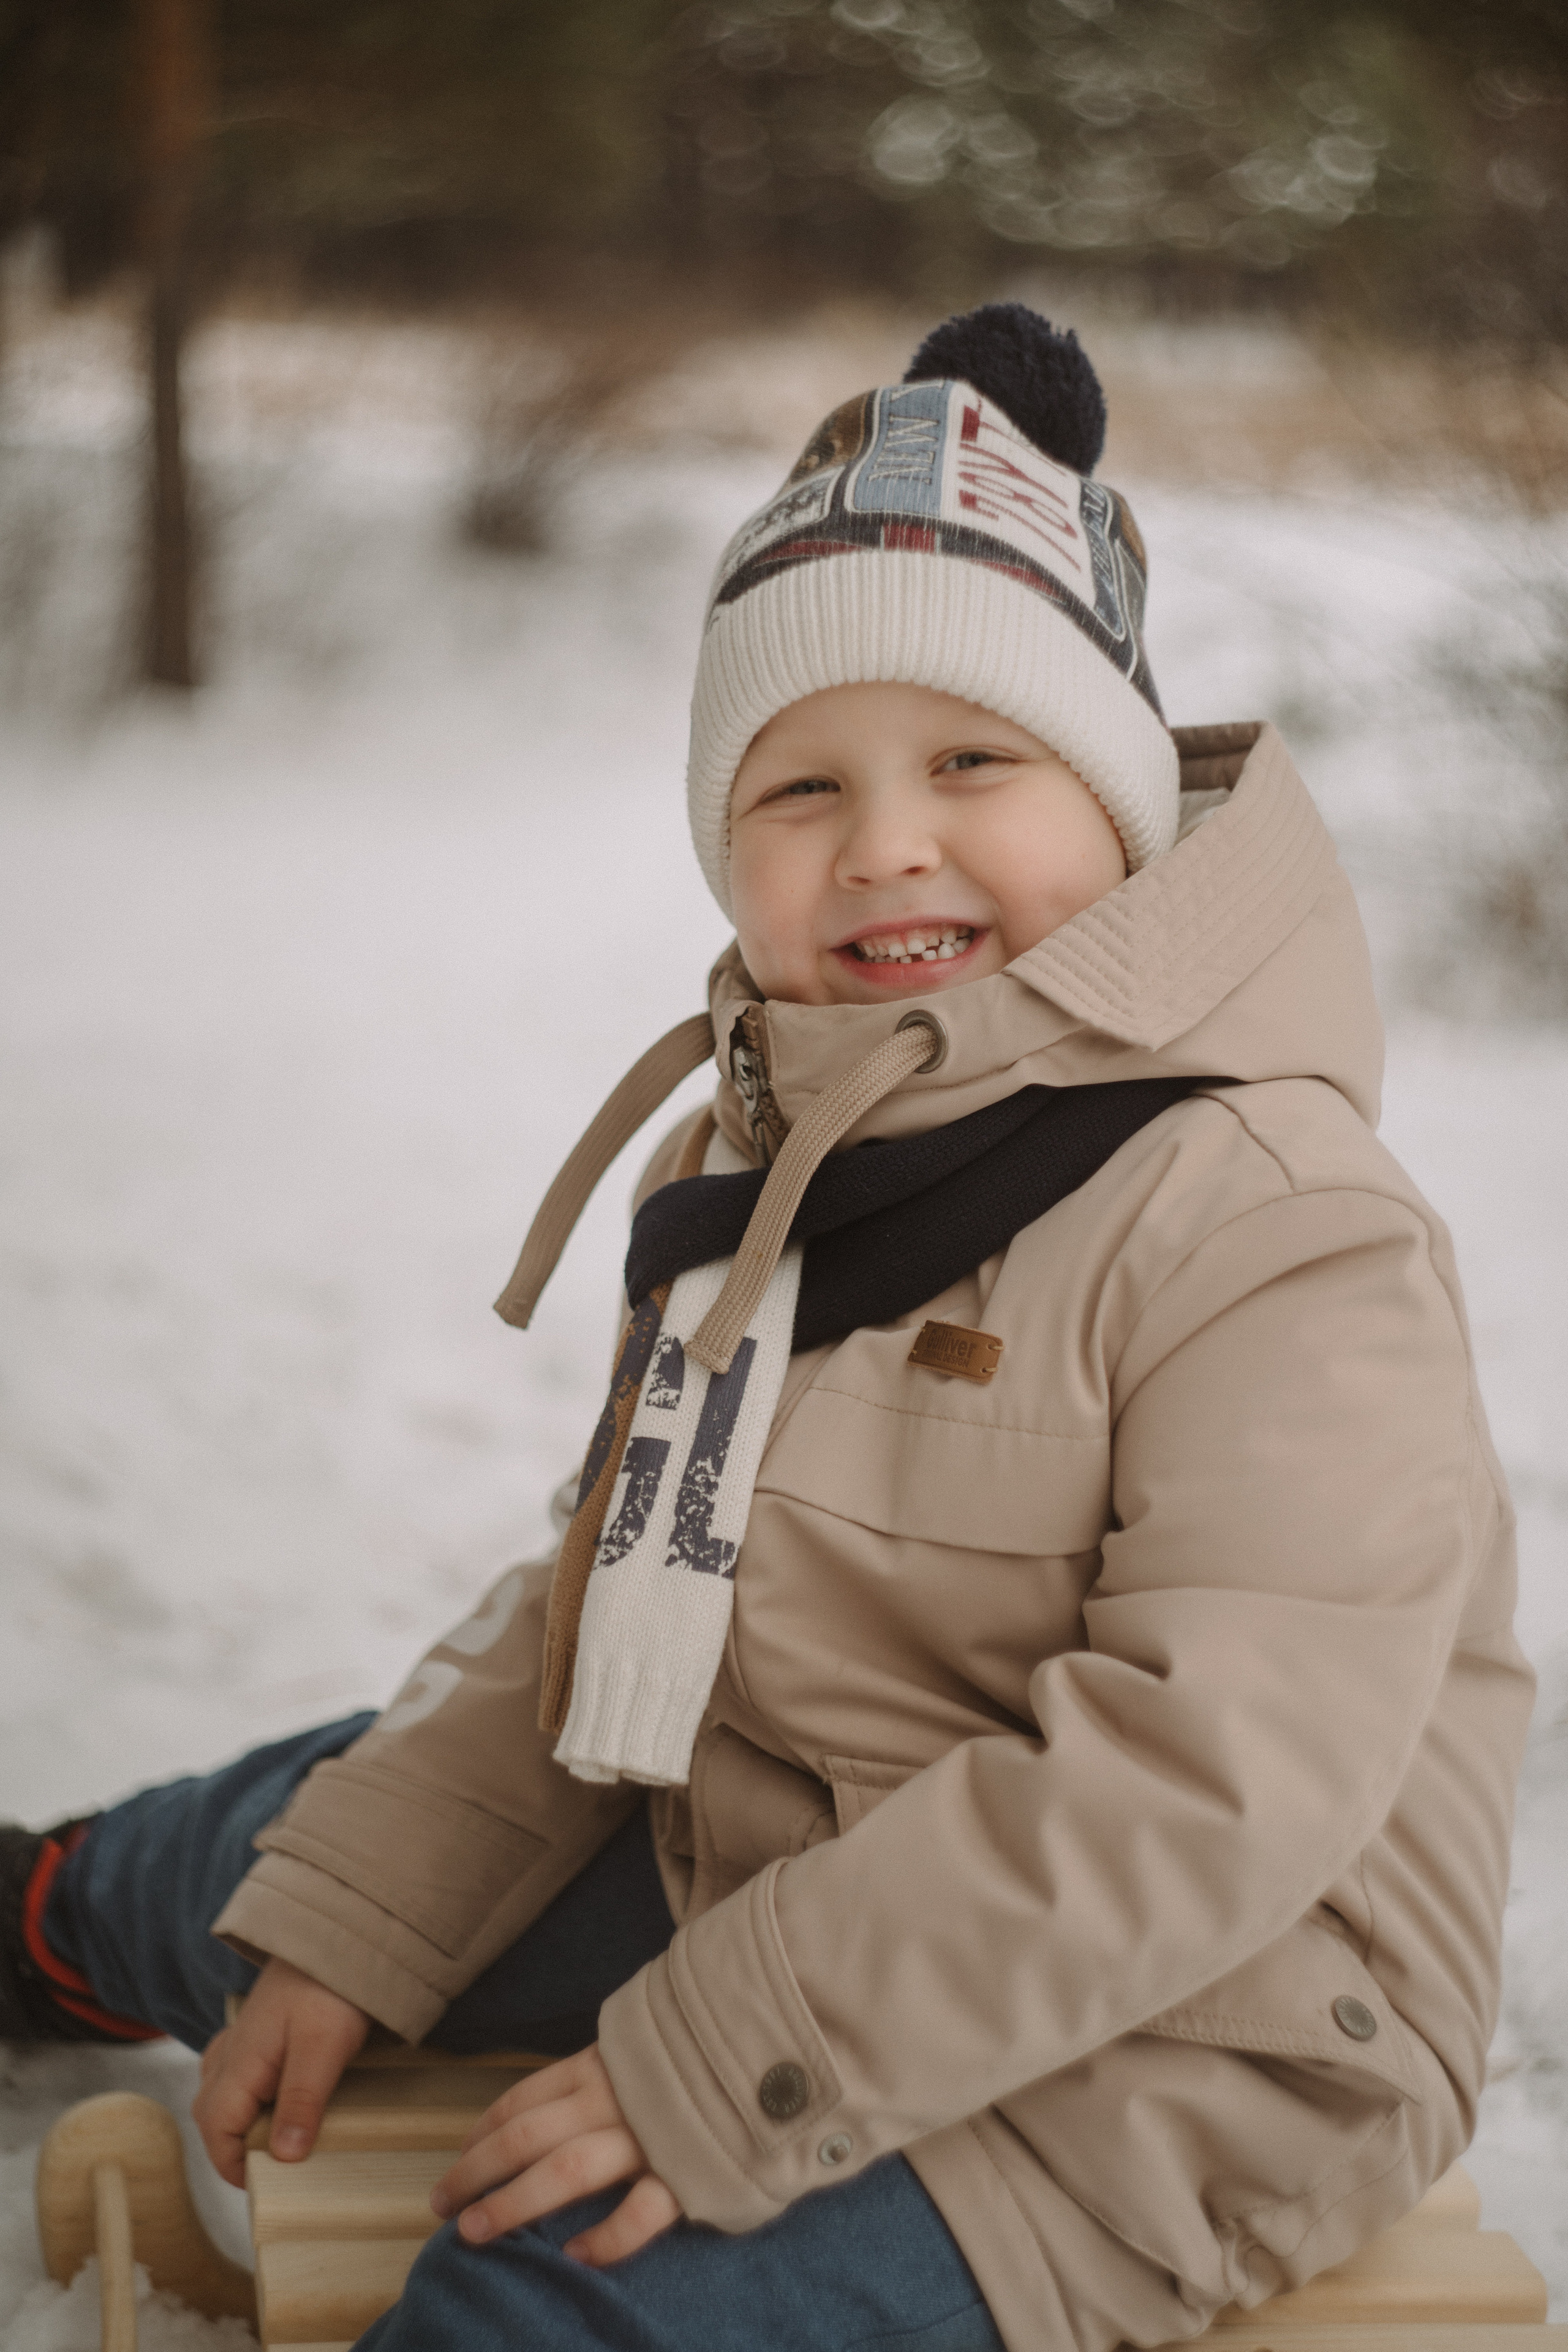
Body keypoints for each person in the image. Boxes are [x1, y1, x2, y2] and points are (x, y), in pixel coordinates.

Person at [1, 306, 1534, 2352]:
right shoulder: (763, 1169)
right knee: (280, 1845)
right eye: (800, 782)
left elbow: (1207, 1780)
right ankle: (62, 1928)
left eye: (976, 761)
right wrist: (360, 1923)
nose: (886, 840)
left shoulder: (1271, 1223)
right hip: (793, 1837)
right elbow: (618, 1616)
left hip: (1199, 2032)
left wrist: (705, 2060)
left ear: (1123, 802)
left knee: (555, 2293)